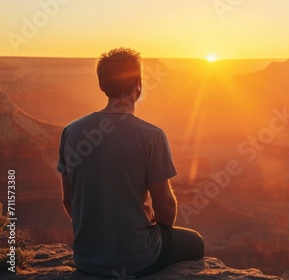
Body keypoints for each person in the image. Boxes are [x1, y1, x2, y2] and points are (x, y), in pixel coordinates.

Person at [57, 47, 204, 277]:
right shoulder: (152, 136)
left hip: (86, 259)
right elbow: (165, 209)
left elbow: (68, 201)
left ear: (102, 85)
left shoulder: (71, 132)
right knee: (195, 242)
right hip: (136, 259)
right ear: (138, 84)